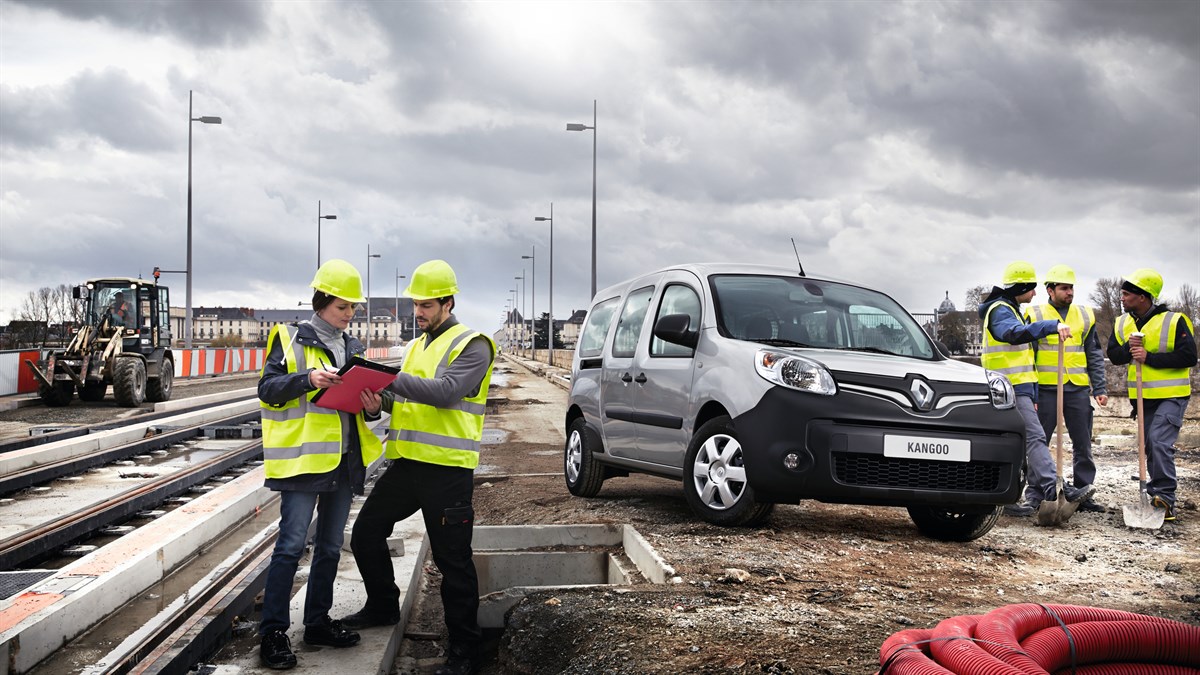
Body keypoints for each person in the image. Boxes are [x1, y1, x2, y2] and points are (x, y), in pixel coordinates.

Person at [344, 259, 497, 675]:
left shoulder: (474, 345)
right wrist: (376, 402)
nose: (418, 312)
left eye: (426, 305)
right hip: (408, 465)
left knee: (453, 562)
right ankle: (382, 606)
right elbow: (402, 400)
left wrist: (384, 378)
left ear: (448, 303)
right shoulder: (414, 347)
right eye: (415, 304)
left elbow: (446, 393)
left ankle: (465, 650)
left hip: (447, 471)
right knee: (366, 532)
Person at [257, 259, 385, 670]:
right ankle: (273, 633)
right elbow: (267, 389)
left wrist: (372, 406)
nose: (349, 314)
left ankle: (316, 622)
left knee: (330, 546)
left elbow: (365, 406)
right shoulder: (290, 337)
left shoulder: (354, 347)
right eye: (342, 307)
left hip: (345, 461)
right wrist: (307, 380)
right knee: (291, 546)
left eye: (353, 307)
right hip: (304, 462)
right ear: (322, 302)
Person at [979, 261, 1094, 519]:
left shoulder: (1009, 309)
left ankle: (1008, 497)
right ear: (1021, 288)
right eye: (1031, 288)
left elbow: (1025, 357)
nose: (1034, 293)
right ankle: (1055, 487)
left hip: (1016, 387)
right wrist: (1051, 325)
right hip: (1008, 386)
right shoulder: (1000, 310)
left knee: (1017, 442)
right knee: (1034, 437)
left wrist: (1032, 393)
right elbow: (1012, 334)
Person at [1106, 268, 1196, 522]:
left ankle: (1165, 497)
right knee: (1149, 446)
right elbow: (1114, 356)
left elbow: (1189, 356)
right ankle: (1156, 495)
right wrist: (1129, 347)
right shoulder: (1122, 323)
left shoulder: (1174, 321)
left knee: (1158, 441)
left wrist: (1149, 357)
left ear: (1143, 297)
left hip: (1172, 395)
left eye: (1126, 294)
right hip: (1143, 398)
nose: (1122, 298)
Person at [1023, 265, 1108, 513]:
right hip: (1046, 389)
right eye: (1064, 288)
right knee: (1039, 442)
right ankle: (1036, 494)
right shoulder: (1035, 314)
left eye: (1071, 288)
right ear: (1050, 290)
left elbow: (1094, 353)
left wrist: (1099, 387)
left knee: (1083, 442)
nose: (1069, 292)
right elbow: (1028, 355)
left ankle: (1083, 492)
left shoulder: (1085, 315)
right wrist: (1031, 391)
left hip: (1077, 388)